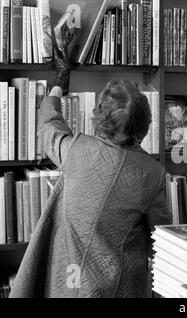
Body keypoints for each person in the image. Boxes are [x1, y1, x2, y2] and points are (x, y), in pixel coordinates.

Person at [10, 46, 171, 298]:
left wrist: (60, 80)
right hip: (121, 288)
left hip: (68, 284)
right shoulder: (153, 173)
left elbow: (48, 124)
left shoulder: (77, 149)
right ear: (146, 123)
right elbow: (160, 241)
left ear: (98, 116)